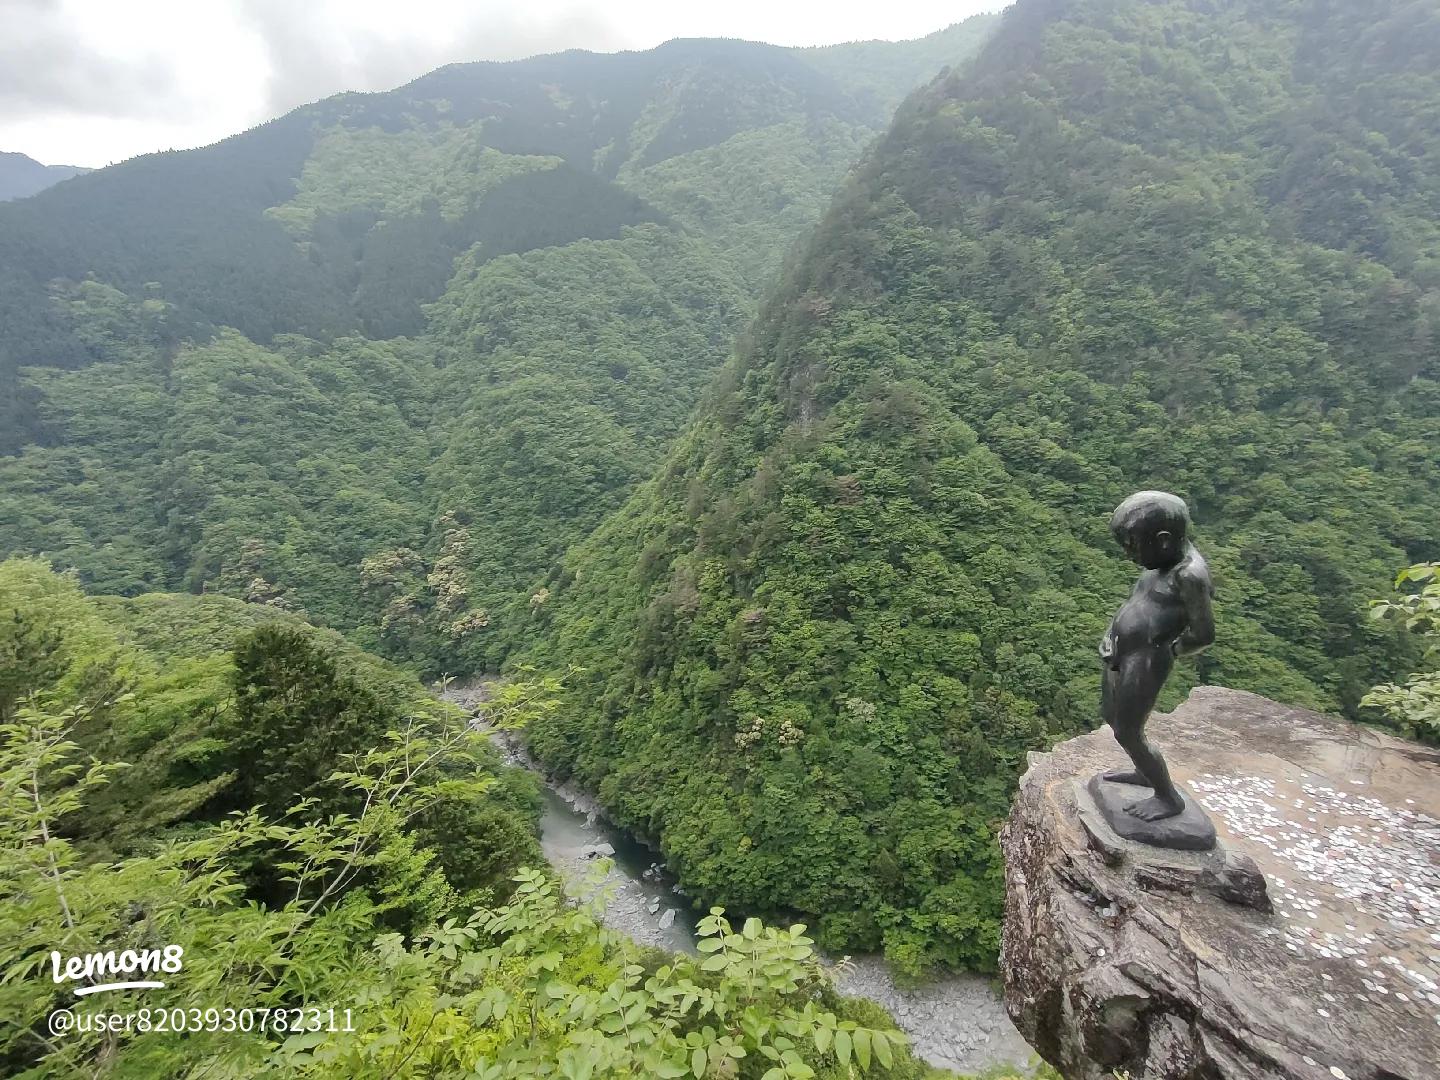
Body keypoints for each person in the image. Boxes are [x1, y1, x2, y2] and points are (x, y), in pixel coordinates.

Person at [1098, 490, 1215, 822]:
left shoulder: (1189, 575)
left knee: (1128, 730)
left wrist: (1168, 649)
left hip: (1146, 659)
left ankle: (1167, 797)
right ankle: (1143, 772)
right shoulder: (1158, 564)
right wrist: (1112, 637)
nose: (1129, 554)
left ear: (1162, 540)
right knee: (1112, 715)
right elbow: (1135, 605)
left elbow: (1204, 633)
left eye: (1133, 545)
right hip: (1124, 651)